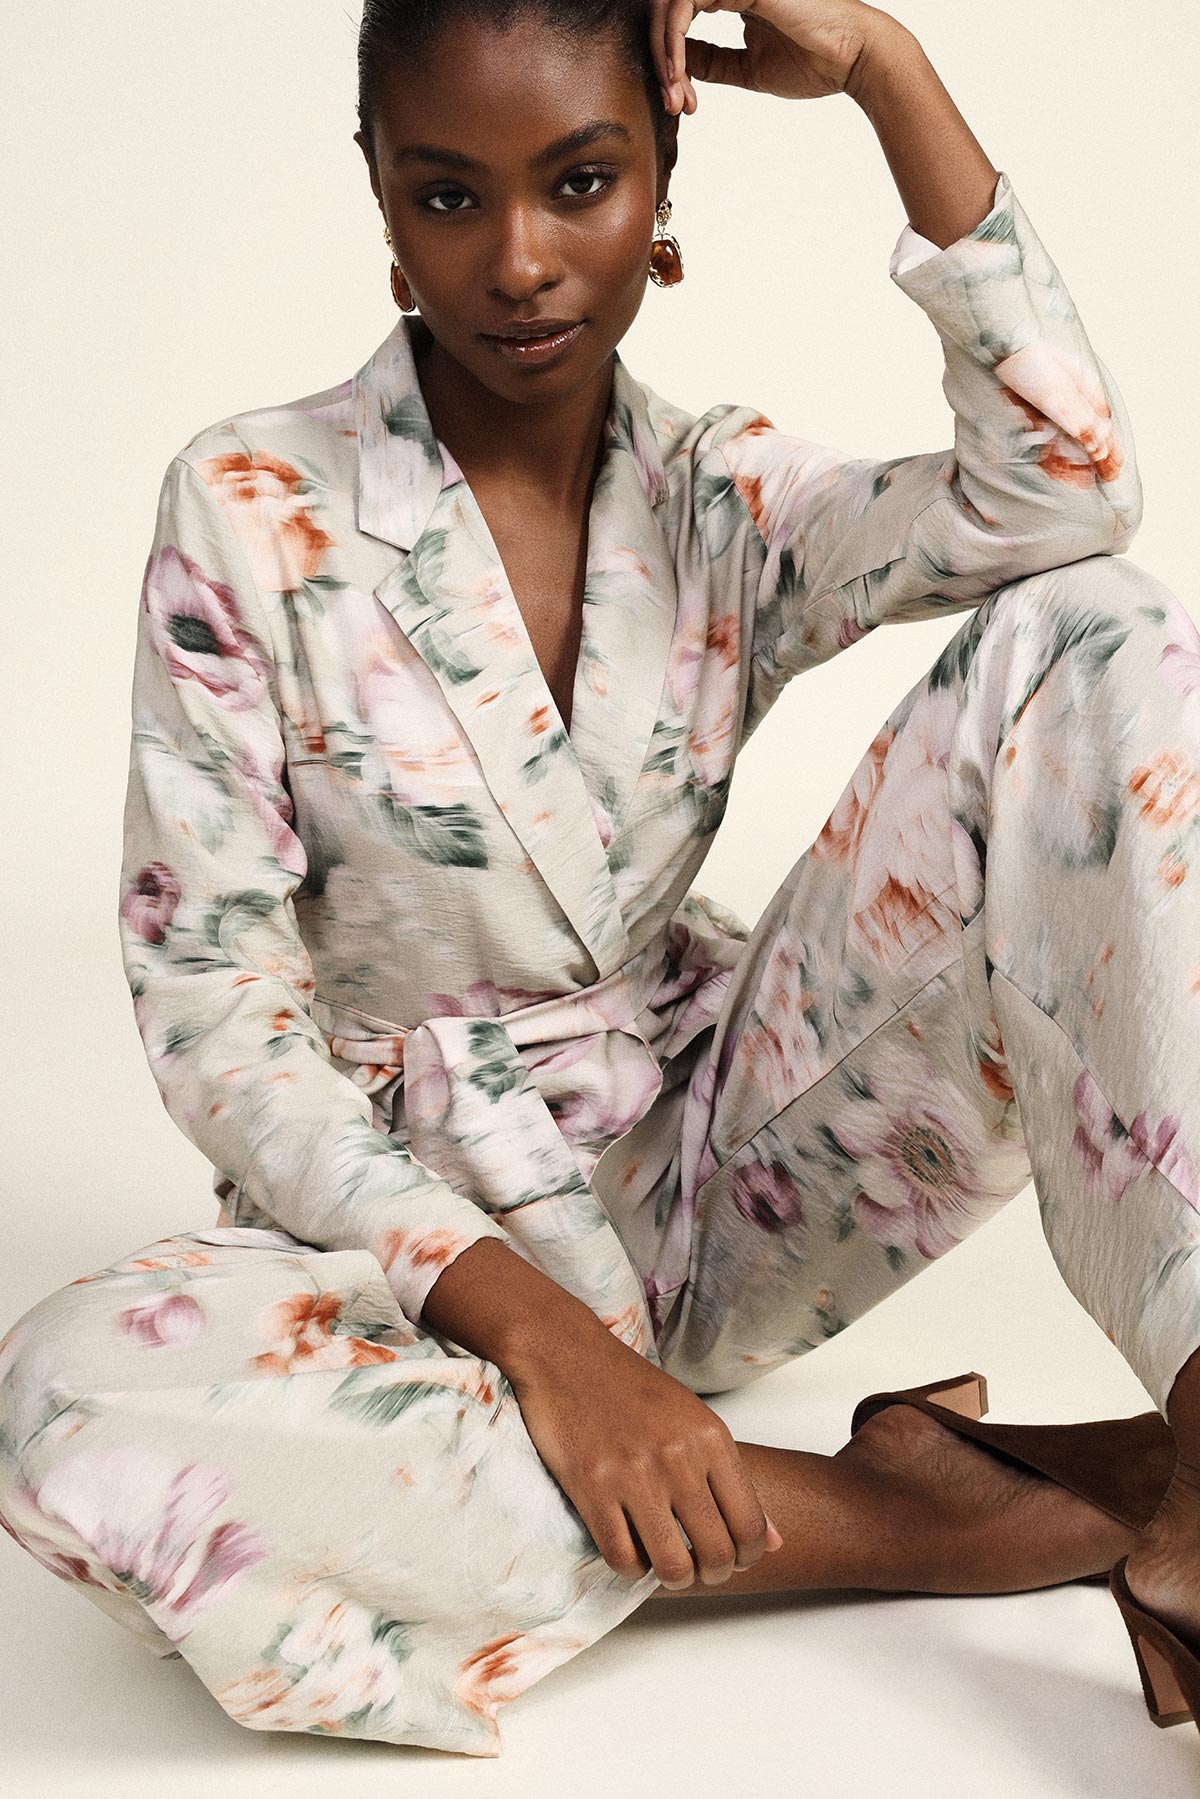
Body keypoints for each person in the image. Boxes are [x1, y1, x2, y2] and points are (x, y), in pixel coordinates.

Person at [1, 0, 1198, 1761]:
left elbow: (1064, 495)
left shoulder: (717, 498)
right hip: (422, 1257)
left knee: (1094, 637)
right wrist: (550, 1349)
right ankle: (914, 1513)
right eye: (449, 196)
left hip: (729, 1168)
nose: (519, 262)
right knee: (69, 1409)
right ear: (380, 197)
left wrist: (884, 68)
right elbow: (215, 1018)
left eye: (579, 182)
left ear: (661, 175)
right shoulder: (251, 504)